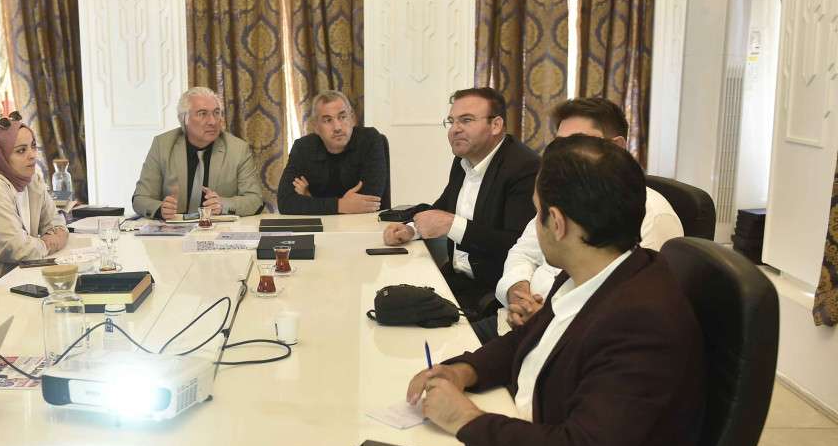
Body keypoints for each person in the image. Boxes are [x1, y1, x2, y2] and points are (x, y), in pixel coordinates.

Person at [406, 135, 704, 446]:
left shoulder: (643, 321)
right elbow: (528, 339)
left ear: (558, 223)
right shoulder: (599, 272)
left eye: (537, 211)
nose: (535, 222)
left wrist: (465, 418)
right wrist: (462, 370)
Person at [489, 97, 684, 337]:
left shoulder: (651, 215)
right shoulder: (559, 196)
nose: (560, 158)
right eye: (559, 146)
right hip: (521, 323)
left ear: (616, 147)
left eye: (576, 144)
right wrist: (520, 297)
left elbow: (621, 308)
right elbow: (523, 252)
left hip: (566, 336)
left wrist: (545, 322)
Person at [382, 87, 539, 317]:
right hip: (455, 280)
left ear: (496, 125)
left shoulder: (523, 167)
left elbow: (516, 243)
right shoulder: (463, 160)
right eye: (451, 121)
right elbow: (443, 208)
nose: (455, 129)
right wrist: (410, 230)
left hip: (494, 294)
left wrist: (451, 225)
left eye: (466, 120)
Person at [0, 112, 69, 280]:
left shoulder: (31, 179)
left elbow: (55, 222)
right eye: (21, 150)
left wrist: (54, 236)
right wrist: (49, 243)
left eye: (33, 146)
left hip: (23, 272)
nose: (32, 155)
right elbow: (15, 247)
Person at [132, 86, 265, 219]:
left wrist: (223, 205)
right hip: (174, 228)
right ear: (184, 118)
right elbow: (140, 198)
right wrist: (160, 209)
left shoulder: (238, 149)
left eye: (216, 113)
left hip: (218, 228)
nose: (212, 121)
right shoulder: (162, 145)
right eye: (202, 114)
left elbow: (255, 200)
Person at [276, 90, 387, 215]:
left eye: (342, 117)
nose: (337, 127)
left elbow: (370, 201)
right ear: (316, 126)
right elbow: (285, 202)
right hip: (323, 226)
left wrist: (311, 198)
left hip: (366, 223)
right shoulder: (303, 148)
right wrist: (341, 205)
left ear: (352, 118)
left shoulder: (369, 139)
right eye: (328, 120)